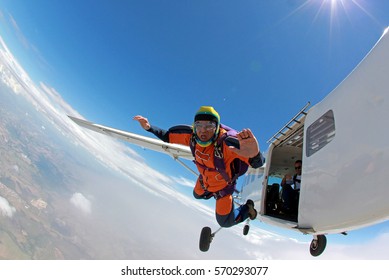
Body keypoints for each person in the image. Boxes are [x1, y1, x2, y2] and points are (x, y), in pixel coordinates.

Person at [133, 106, 264, 228]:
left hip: (222, 188)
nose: (203, 131)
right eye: (199, 125)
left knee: (225, 222)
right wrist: (149, 128)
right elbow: (168, 136)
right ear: (194, 126)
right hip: (204, 181)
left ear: (217, 127)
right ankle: (210, 192)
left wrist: (255, 154)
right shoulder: (191, 138)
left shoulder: (228, 144)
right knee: (197, 195)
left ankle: (248, 209)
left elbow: (257, 163)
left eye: (209, 126)